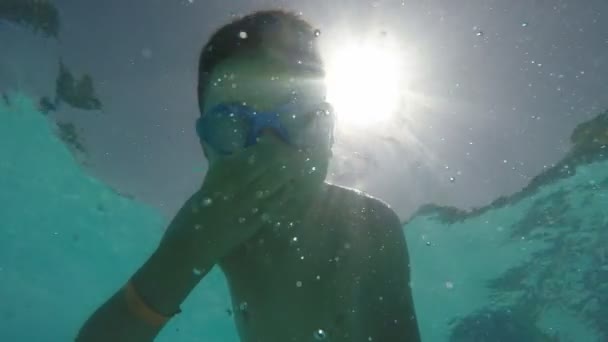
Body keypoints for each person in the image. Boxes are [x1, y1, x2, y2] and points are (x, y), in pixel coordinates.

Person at [76, 9, 421, 342]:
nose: (268, 150)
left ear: (328, 131)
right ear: (205, 150)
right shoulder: (211, 227)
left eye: (297, 113)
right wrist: (183, 254)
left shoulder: (370, 227)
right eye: (233, 124)